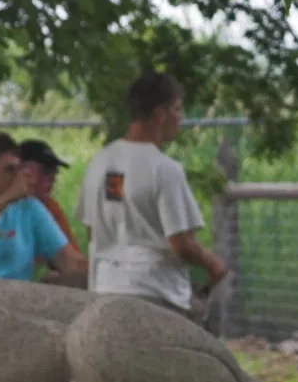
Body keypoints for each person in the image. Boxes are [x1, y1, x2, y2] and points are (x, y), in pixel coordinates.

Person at [76, 71, 226, 318]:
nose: (180, 118)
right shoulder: (164, 169)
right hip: (155, 292)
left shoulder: (100, 162)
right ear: (160, 115)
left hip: (104, 288)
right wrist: (213, 264)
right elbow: (181, 245)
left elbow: (93, 230)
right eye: (177, 110)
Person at [0, 131, 86, 282]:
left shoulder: (30, 208)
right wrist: (6, 198)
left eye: (19, 169)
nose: (17, 177)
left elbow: (69, 262)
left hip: (17, 296)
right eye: (9, 170)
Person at [18, 138, 86, 287]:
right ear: (21, 170)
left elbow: (75, 264)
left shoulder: (49, 207)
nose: (52, 179)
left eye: (55, 173)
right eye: (45, 172)